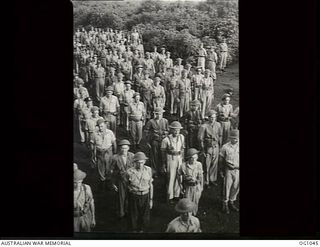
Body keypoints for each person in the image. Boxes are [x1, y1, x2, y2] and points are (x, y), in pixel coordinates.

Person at [126, 152, 153, 233]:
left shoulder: (149, 170)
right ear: (134, 162)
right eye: (138, 162)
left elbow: (151, 185)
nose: (140, 165)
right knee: (133, 214)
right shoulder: (129, 172)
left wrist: (151, 199)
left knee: (145, 215)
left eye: (142, 162)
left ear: (144, 162)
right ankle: (134, 230)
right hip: (134, 195)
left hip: (146, 195)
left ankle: (142, 230)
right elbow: (126, 185)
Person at [110, 139, 135, 218]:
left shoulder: (132, 156)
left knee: (130, 196)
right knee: (121, 197)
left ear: (128, 148)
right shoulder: (115, 158)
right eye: (122, 148)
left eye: (125, 148)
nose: (124, 150)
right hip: (120, 180)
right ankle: (121, 213)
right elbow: (112, 171)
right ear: (120, 149)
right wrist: (113, 183)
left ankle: (129, 211)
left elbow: (135, 168)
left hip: (130, 180)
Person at [161, 121, 185, 203]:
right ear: (171, 130)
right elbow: (163, 153)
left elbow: (183, 148)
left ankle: (177, 195)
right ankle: (170, 196)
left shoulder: (182, 137)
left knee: (179, 176)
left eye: (178, 130)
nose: (176, 132)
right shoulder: (166, 140)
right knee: (171, 177)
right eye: (174, 130)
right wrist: (164, 164)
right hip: (170, 159)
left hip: (179, 158)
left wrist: (183, 159)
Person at [198, 110, 222, 187]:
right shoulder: (204, 126)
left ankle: (212, 179)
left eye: (214, 117)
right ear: (208, 118)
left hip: (216, 146)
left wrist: (219, 145)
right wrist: (202, 149)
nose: (213, 119)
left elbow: (220, 135)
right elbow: (200, 138)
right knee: (206, 164)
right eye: (211, 118)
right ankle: (206, 181)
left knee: (214, 164)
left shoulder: (218, 125)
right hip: (207, 147)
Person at [90, 118, 117, 188]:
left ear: (105, 125)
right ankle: (102, 181)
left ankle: (108, 181)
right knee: (100, 167)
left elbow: (114, 143)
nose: (100, 128)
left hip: (108, 151)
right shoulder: (94, 134)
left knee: (109, 166)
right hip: (99, 152)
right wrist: (93, 154)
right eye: (99, 126)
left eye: (102, 126)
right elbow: (92, 145)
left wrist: (115, 152)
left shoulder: (110, 132)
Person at [219, 129, 239, 214]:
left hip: (237, 169)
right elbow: (221, 159)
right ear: (230, 138)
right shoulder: (225, 147)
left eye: (237, 138)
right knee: (227, 186)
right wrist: (221, 170)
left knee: (236, 187)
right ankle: (225, 203)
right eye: (233, 138)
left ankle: (231, 201)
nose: (235, 140)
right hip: (228, 170)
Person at [178, 148, 203, 216]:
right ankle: (188, 216)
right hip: (187, 187)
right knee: (187, 203)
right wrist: (180, 186)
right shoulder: (183, 166)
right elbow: (179, 175)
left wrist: (201, 187)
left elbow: (201, 176)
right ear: (189, 158)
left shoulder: (199, 164)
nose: (195, 159)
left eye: (196, 157)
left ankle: (194, 216)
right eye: (193, 158)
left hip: (196, 187)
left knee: (195, 202)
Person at [144, 107, 169, 177]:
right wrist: (148, 141)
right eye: (157, 114)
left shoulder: (165, 121)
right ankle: (154, 171)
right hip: (154, 141)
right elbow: (146, 132)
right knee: (154, 156)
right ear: (154, 114)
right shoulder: (151, 122)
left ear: (162, 114)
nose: (158, 116)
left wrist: (165, 133)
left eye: (160, 114)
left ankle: (162, 169)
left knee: (163, 155)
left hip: (163, 141)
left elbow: (168, 130)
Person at [74, 167, 96, 232]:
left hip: (85, 216)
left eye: (79, 182)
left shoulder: (86, 188)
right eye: (75, 182)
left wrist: (93, 218)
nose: (78, 185)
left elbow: (91, 202)